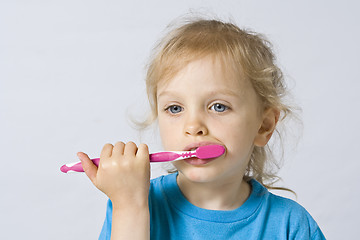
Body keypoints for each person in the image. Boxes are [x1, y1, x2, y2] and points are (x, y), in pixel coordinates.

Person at [77, 17, 326, 240]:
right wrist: (130, 207)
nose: (193, 126)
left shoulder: (290, 226)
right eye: (175, 108)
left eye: (218, 106)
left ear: (264, 126)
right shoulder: (132, 203)